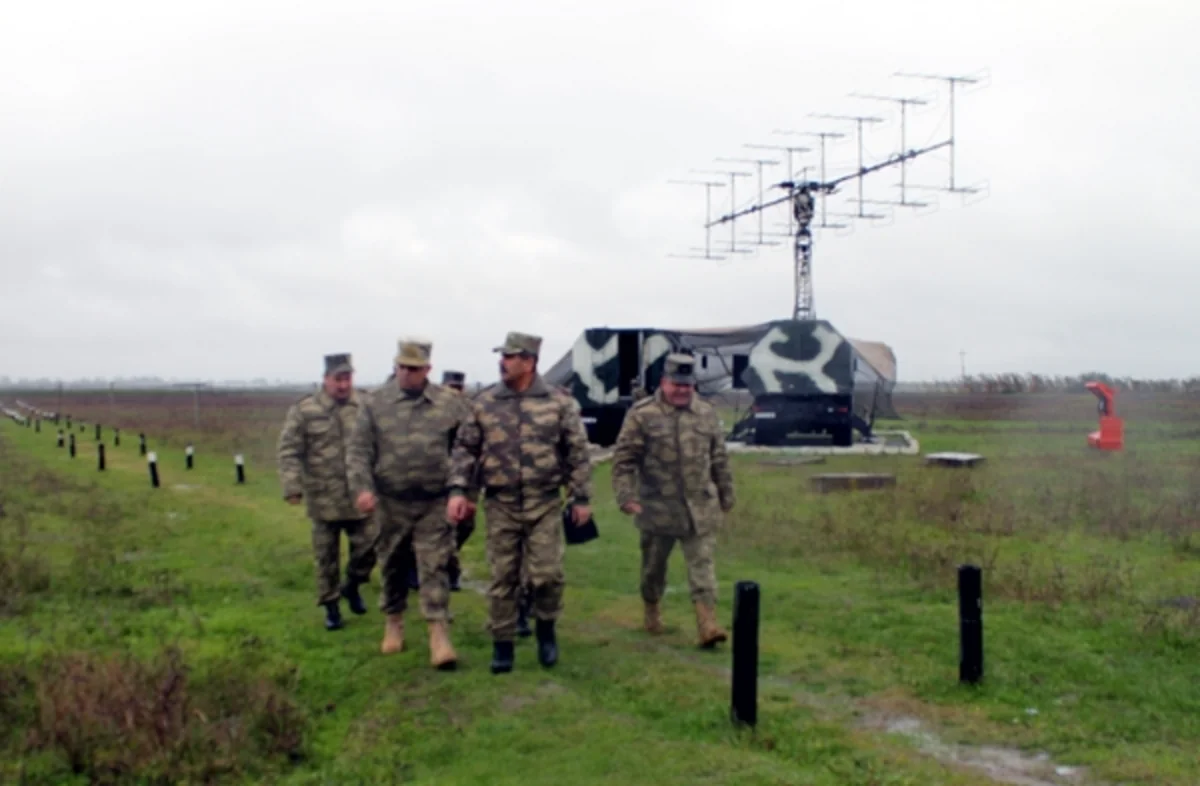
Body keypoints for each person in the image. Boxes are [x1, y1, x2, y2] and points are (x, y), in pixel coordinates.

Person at [446, 331, 592, 674]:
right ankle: (503, 644)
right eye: (503, 356)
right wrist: (458, 491)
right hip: (501, 503)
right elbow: (465, 450)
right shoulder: (484, 403)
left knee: (547, 575)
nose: (503, 362)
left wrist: (581, 496)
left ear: (529, 362)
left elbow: (577, 452)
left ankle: (545, 631)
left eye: (510, 357)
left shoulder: (558, 403)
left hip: (544, 503)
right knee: (503, 577)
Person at [346, 338, 472, 670]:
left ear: (427, 370)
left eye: (413, 369)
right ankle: (394, 621)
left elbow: (466, 447)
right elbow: (359, 451)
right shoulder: (375, 403)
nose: (405, 373)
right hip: (391, 501)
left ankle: (438, 633)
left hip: (434, 500)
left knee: (435, 564)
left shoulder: (449, 403)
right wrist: (362, 488)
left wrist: (462, 490)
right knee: (392, 563)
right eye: (401, 367)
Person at [610, 352, 735, 648]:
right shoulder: (642, 415)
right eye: (676, 385)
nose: (682, 391)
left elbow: (718, 457)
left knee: (702, 568)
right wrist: (626, 496)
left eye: (687, 386)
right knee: (654, 570)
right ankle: (651, 607)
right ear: (664, 383)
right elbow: (624, 461)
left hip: (699, 509)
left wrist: (726, 493)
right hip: (657, 510)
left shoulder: (705, 413)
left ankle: (708, 624)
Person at [276, 353, 376, 631]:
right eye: (338, 379)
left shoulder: (366, 404)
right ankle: (331, 607)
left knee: (370, 547)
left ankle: (353, 584)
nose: (343, 385)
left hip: (361, 496)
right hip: (324, 497)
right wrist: (292, 486)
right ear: (325, 379)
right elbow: (289, 450)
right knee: (326, 557)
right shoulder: (305, 410)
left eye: (348, 378)